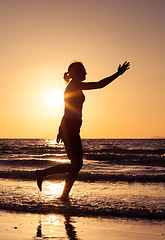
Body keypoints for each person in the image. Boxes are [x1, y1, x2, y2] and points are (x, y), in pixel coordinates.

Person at [35, 61, 130, 200]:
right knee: (77, 164)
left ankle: (61, 192)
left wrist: (60, 129)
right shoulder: (74, 85)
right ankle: (45, 176)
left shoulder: (73, 86)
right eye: (83, 71)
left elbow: (67, 109)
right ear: (74, 73)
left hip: (70, 128)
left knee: (76, 164)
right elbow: (99, 85)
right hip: (70, 128)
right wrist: (118, 74)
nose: (85, 73)